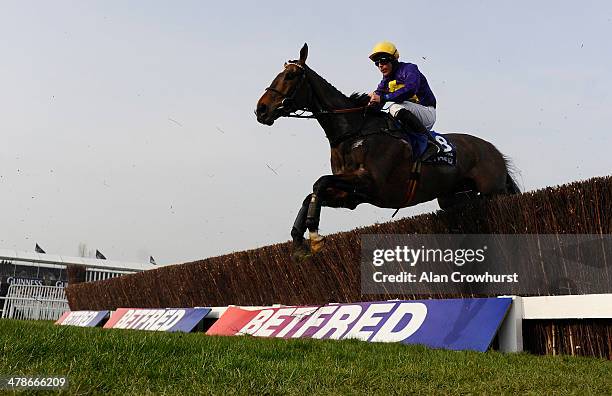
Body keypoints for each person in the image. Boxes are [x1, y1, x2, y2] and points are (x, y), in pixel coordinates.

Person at [368, 41, 442, 157]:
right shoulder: (385, 81)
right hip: (409, 113)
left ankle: (431, 142)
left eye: (383, 61)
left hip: (426, 111)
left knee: (394, 108)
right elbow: (377, 101)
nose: (380, 66)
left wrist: (383, 97)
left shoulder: (409, 69)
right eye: (377, 63)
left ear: (393, 59)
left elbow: (410, 89)